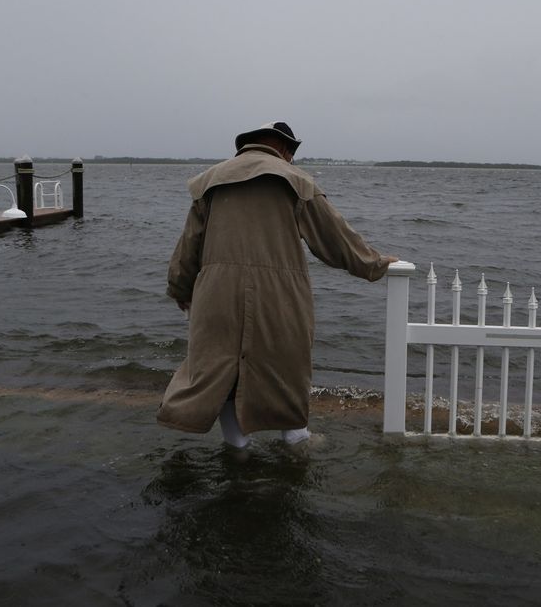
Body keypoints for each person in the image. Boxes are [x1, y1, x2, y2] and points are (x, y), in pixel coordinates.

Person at [157, 121, 397, 448]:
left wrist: (180, 290)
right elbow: (335, 239)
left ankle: (237, 447)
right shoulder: (295, 181)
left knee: (222, 370)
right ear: (285, 149)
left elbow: (188, 246)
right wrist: (375, 263)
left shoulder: (211, 181)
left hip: (216, 295)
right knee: (286, 367)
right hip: (278, 296)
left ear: (247, 145)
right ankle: (296, 439)